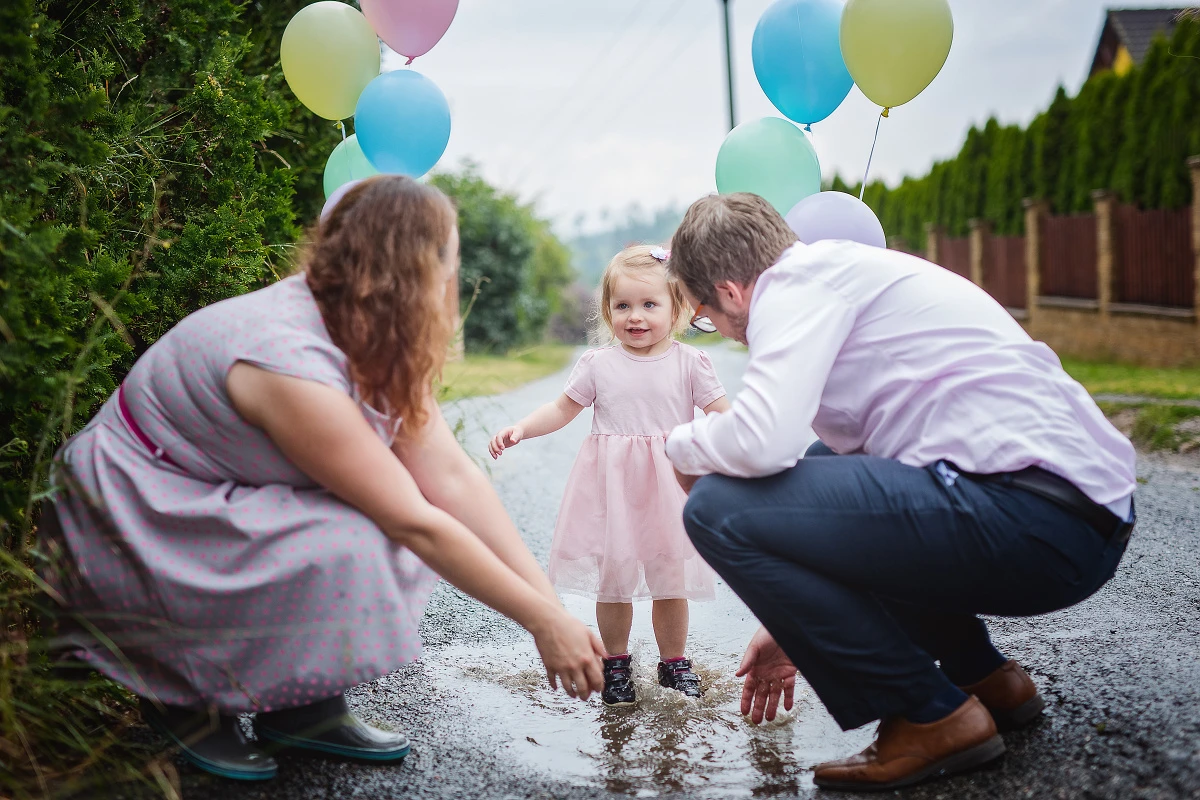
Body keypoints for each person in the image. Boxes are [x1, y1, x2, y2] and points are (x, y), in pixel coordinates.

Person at [42, 175, 605, 782]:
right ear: (418, 271)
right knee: (370, 534)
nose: (454, 280)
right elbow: (414, 519)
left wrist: (556, 612)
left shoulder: (372, 325)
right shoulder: (286, 362)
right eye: (451, 260)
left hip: (211, 487)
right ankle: (183, 691)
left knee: (365, 533)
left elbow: (453, 480)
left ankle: (300, 706)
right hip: (137, 503)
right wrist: (542, 625)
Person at [662, 193, 1137, 791]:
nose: (724, 332)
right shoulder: (841, 272)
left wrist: (680, 446)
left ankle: (927, 713)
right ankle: (981, 678)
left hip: (1033, 521)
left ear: (730, 292)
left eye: (707, 316)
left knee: (719, 509)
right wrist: (790, 625)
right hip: (1078, 518)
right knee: (820, 462)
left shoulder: (793, 289)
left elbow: (760, 442)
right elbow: (838, 501)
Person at [489, 245, 730, 707]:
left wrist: (733, 447)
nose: (635, 317)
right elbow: (562, 409)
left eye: (649, 305)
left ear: (677, 308)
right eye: (622, 306)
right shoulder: (598, 364)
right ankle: (615, 661)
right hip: (614, 490)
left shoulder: (689, 363)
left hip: (669, 487)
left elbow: (723, 412)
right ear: (607, 310)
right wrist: (522, 428)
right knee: (613, 579)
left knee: (669, 578)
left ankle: (674, 662)